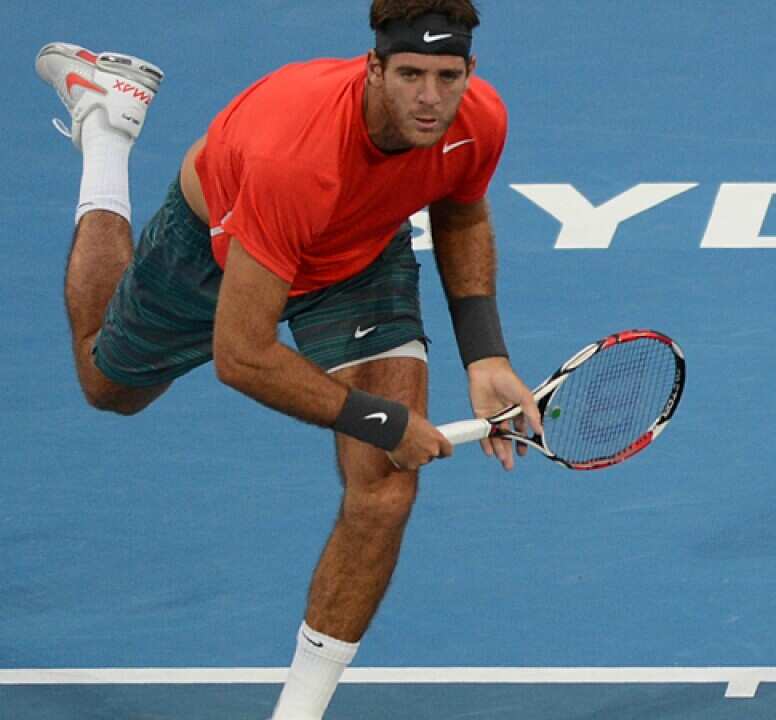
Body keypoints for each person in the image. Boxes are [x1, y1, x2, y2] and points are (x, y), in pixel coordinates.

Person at [35, 1, 541, 717]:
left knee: (384, 488)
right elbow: (241, 356)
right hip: (222, 244)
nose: (430, 98)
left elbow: (460, 210)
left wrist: (485, 353)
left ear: (470, 72)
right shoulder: (295, 154)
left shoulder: (477, 118)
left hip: (359, 257)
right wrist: (383, 419)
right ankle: (106, 128)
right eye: (409, 75)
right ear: (373, 70)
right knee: (107, 384)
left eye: (446, 75)